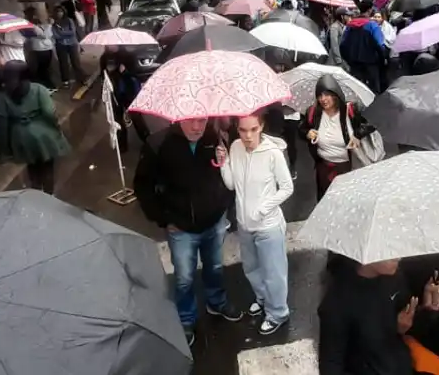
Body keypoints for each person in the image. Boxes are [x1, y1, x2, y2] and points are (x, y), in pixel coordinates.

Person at [135, 118, 243, 346]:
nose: (197, 127)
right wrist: (163, 219)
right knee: (184, 277)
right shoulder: (158, 144)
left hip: (213, 221)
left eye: (202, 120)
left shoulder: (213, 138)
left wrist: (224, 199)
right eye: (191, 121)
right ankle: (186, 318)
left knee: (215, 267)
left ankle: (216, 301)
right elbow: (143, 186)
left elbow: (224, 176)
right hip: (181, 228)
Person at [219, 112, 295, 335]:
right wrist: (224, 164)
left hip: (268, 225)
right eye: (243, 130)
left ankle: (278, 312)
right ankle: (263, 299)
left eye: (253, 129)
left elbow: (287, 187)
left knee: (274, 272)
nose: (248, 135)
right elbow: (232, 185)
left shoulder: (272, 153)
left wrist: (264, 208)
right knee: (251, 268)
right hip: (244, 224)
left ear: (261, 126)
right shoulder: (235, 147)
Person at [319, 258, 439, 375]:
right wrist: (392, 326)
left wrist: (430, 308)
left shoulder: (394, 277)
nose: (398, 257)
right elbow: (331, 367)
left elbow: (414, 327)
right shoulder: (338, 301)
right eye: (389, 253)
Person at [0, 61, 70, 193]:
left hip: (20, 137)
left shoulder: (2, 97)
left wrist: (5, 151)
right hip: (44, 134)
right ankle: (49, 196)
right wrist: (56, 128)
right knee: (48, 169)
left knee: (32, 170)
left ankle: (36, 195)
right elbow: (49, 113)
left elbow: (1, 127)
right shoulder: (38, 89)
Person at [299, 74, 375, 201]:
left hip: (349, 168)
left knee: (348, 201)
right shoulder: (312, 112)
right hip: (324, 169)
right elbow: (301, 129)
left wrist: (358, 134)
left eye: (327, 94)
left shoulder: (351, 110)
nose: (323, 99)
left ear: (335, 94)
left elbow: (374, 121)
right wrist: (306, 133)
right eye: (320, 96)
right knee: (326, 203)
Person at [340, 4, 388, 92]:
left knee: (357, 90)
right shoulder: (372, 26)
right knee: (373, 90)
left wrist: (349, 60)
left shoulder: (350, 26)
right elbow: (380, 45)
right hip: (371, 63)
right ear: (369, 10)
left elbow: (343, 45)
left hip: (355, 64)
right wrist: (382, 59)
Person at [52, 11, 86, 87]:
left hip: (72, 43)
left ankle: (81, 78)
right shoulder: (54, 24)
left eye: (60, 12)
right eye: (57, 12)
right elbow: (56, 36)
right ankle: (65, 81)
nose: (59, 13)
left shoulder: (69, 20)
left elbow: (72, 32)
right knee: (63, 63)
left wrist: (61, 32)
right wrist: (65, 34)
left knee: (76, 62)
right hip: (61, 45)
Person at [25, 7, 56, 90]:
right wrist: (49, 26)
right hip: (38, 49)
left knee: (44, 68)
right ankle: (47, 86)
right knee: (41, 69)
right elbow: (44, 35)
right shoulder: (29, 25)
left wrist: (48, 26)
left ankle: (47, 86)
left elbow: (46, 35)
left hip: (45, 49)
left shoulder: (40, 24)